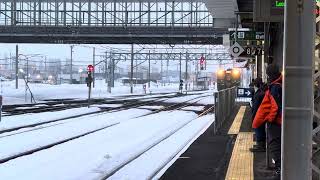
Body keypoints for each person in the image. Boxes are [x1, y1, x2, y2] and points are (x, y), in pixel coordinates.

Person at [253, 64, 282, 179]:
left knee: (275, 146)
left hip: (276, 122)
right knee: (276, 145)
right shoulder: (276, 84)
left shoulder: (275, 86)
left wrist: (270, 119)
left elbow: (275, 106)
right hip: (278, 121)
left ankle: (280, 172)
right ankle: (280, 170)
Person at [250, 77, 267, 152]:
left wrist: (253, 117)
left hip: (259, 115)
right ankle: (261, 145)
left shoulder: (258, 95)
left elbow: (255, 107)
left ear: (255, 85)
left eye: (253, 86)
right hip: (262, 114)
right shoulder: (262, 92)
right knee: (261, 130)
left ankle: (260, 146)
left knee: (258, 129)